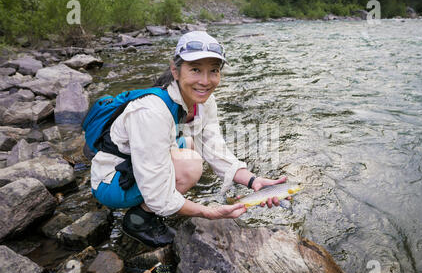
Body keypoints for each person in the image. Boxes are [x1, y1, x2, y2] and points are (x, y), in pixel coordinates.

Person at [90, 31, 287, 247]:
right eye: (195, 70)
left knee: (192, 145)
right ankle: (139, 220)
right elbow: (157, 194)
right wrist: (208, 212)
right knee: (191, 164)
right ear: (175, 71)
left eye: (213, 71)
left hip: (136, 163)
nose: (205, 81)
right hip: (110, 181)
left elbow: (214, 149)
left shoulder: (203, 102)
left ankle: (155, 207)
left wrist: (253, 181)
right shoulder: (151, 112)